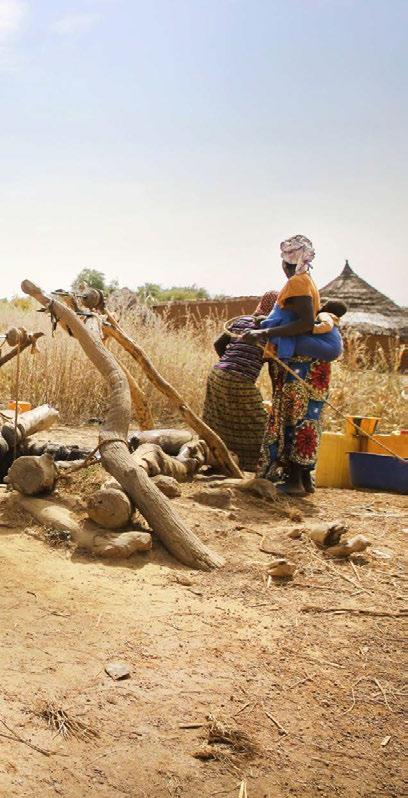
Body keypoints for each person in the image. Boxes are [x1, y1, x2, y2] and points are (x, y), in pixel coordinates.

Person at [240, 234, 334, 496]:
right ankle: (302, 480)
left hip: (302, 364)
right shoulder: (306, 282)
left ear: (288, 261)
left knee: (296, 418)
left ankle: (294, 481)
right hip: (310, 364)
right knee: (305, 419)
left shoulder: (298, 284)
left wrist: (263, 334)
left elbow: (304, 324)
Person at [202, 292, 277, 472]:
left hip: (217, 374)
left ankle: (218, 459)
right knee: (259, 422)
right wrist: (276, 396)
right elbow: (273, 367)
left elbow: (218, 344)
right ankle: (253, 464)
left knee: (220, 419)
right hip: (239, 379)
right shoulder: (272, 331)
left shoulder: (242, 321)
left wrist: (229, 363)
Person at [262, 299, 347, 362]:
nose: (322, 306)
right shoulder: (334, 319)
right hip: (334, 350)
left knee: (289, 336)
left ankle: (274, 350)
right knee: (292, 337)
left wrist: (307, 328)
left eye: (324, 305)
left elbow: (327, 325)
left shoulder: (324, 315)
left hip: (328, 348)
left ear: (327, 307)